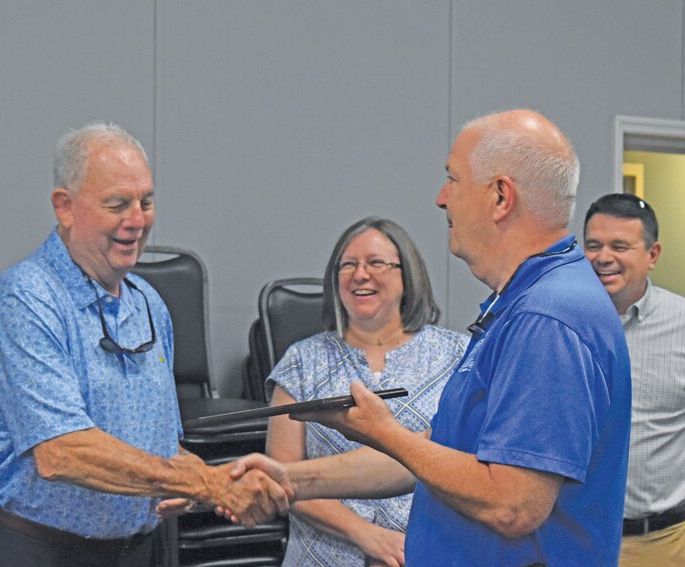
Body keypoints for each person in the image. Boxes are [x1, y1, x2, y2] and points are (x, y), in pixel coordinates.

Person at [226, 109, 632, 566]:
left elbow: (513, 503)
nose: (441, 199)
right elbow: (438, 453)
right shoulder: (521, 305)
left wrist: (387, 434)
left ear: (501, 197)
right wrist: (290, 478)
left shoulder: (548, 318)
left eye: (452, 180)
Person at [0, 122, 288, 566]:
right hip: (39, 551)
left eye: (146, 202)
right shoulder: (28, 297)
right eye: (117, 204)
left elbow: (161, 446)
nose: (137, 220)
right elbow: (61, 452)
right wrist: (205, 484)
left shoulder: (149, 304)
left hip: (144, 550)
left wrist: (210, 478)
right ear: (65, 207)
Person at [265, 217, 468, 567]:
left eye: (376, 263)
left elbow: (467, 470)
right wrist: (365, 534)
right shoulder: (301, 361)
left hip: (428, 553)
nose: (360, 275)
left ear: (407, 275)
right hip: (323, 556)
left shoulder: (458, 355)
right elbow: (283, 476)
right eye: (348, 265)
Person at [584, 193, 685, 566]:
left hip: (664, 543)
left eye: (619, 246)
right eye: (593, 245)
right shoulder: (560, 323)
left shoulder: (682, 325)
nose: (603, 257)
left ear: (652, 255)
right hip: (573, 538)